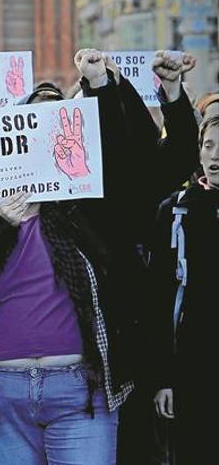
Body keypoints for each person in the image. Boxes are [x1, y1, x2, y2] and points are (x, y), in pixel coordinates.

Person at [0, 50, 146, 464]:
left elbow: (126, 160)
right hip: (4, 394)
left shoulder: (84, 207)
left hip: (78, 390)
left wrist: (99, 86)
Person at [148, 115, 219, 465]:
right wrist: (163, 379)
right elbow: (158, 299)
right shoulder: (177, 210)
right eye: (209, 145)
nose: (215, 156)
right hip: (193, 367)